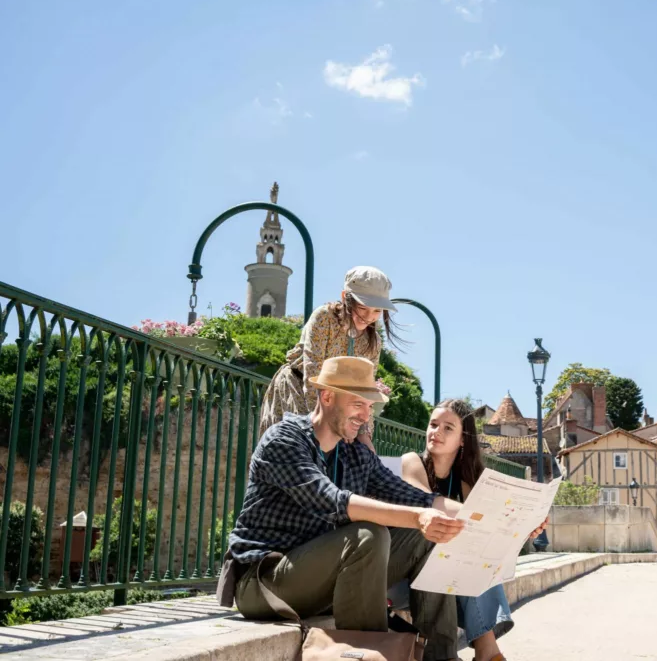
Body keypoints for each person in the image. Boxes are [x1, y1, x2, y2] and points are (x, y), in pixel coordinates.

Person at [223, 356, 465, 661]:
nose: (365, 416)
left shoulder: (354, 454)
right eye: (358, 404)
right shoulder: (284, 441)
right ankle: (375, 656)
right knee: (368, 535)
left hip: (324, 578)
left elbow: (417, 498)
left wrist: (491, 520)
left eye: (369, 407)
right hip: (264, 581)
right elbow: (332, 500)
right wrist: (419, 518)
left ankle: (442, 657)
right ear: (327, 396)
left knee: (431, 535)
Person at [400, 399, 548, 661]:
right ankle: (488, 652)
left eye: (448, 428)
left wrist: (525, 529)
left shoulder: (467, 481)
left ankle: (487, 651)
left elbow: (487, 531)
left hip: (450, 571)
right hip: (411, 561)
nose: (436, 432)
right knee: (457, 545)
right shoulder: (412, 463)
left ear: (463, 440)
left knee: (476, 556)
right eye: (433, 425)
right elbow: (429, 503)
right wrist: (490, 519)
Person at [259, 265, 399, 447]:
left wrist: (364, 434)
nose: (369, 317)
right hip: (298, 389)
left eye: (377, 311)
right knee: (292, 454)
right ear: (345, 298)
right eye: (363, 308)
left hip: (336, 405)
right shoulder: (324, 317)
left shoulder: (373, 341)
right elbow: (313, 372)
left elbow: (366, 390)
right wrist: (327, 421)